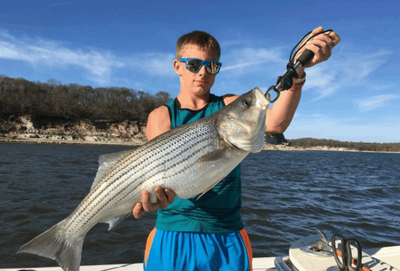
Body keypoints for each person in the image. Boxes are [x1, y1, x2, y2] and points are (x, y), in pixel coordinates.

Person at [133, 27, 341, 270]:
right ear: (177, 66)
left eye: (211, 66)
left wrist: (298, 73)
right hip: (172, 233)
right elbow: (156, 176)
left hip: (227, 234)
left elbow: (275, 123)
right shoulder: (161, 116)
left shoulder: (229, 105)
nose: (202, 72)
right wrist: (153, 198)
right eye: (193, 64)